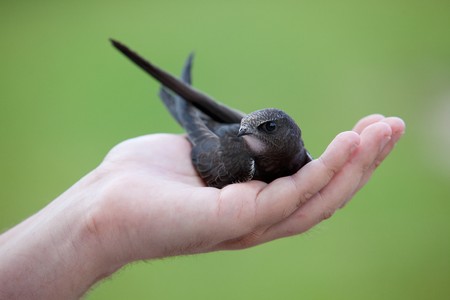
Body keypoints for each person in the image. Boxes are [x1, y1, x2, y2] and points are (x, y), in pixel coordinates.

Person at [0, 114, 405, 299]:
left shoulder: (300, 158)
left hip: (231, 131)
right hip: (213, 136)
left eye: (263, 129)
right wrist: (98, 224)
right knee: (217, 124)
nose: (249, 132)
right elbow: (218, 133)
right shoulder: (240, 160)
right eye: (249, 127)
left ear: (288, 135)